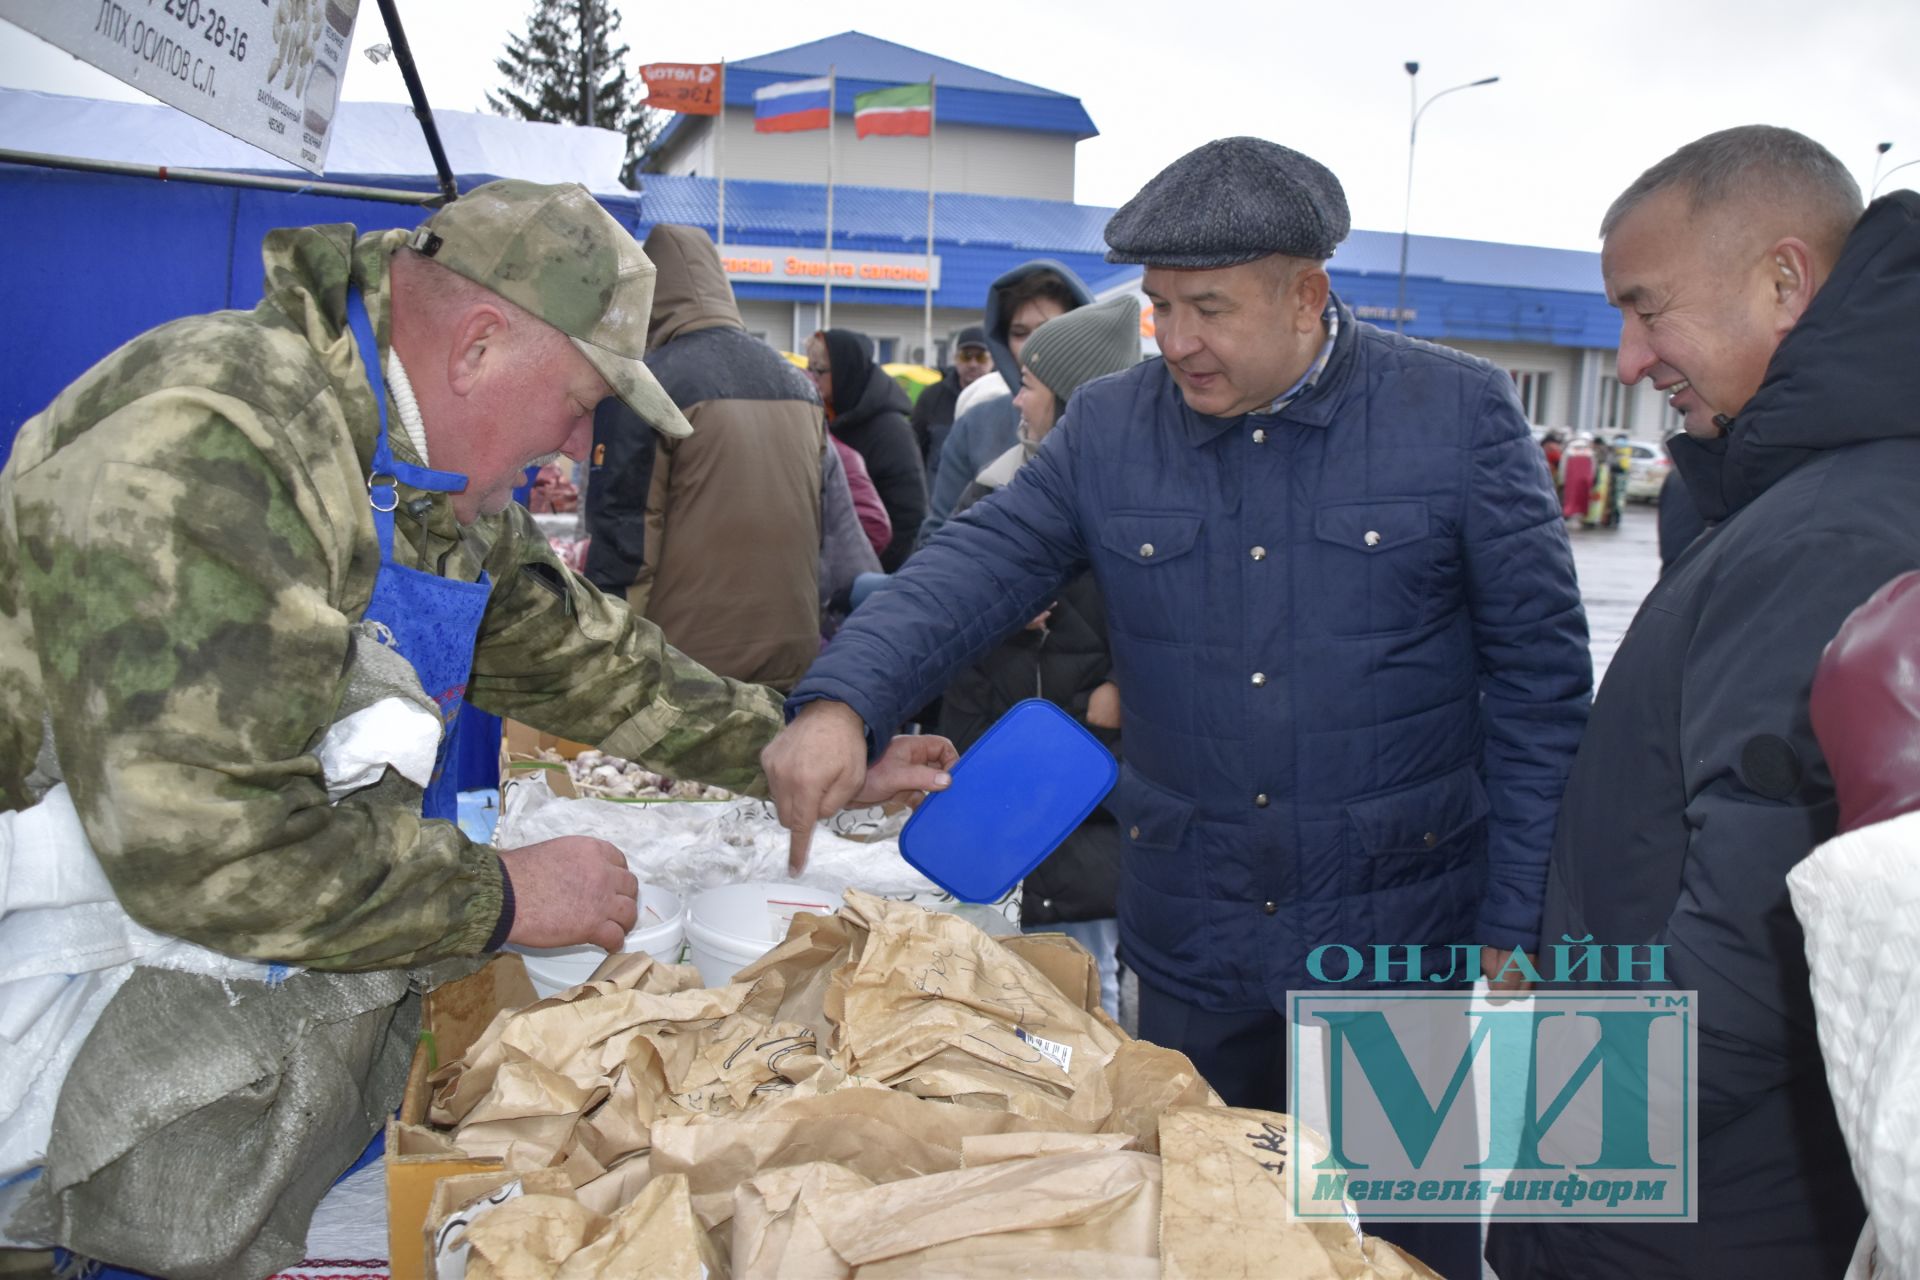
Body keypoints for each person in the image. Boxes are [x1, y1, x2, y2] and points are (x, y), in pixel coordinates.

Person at [0, 180, 951, 1269]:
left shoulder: (414, 470)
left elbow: (576, 650)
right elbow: (207, 847)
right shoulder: (209, 440)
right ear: (480, 349)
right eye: (580, 400)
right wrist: (504, 893)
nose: (576, 443)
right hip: (66, 989)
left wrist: (780, 740)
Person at [763, 137, 1591, 1279]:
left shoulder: (1454, 416)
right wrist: (842, 700)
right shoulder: (1112, 429)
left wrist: (1518, 919)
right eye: (1159, 307)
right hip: (1197, 939)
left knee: (1397, 1249)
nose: (1179, 340)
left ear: (1308, 295)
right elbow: (971, 568)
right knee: (1205, 1239)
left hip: (1396, 940)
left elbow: (1542, 685)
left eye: (1210, 307)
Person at [1485, 125, 1920, 1280]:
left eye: (1647, 307)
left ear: (1786, 280)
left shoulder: (1830, 533)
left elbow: (1751, 956)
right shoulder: (1791, 494)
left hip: (1696, 1204)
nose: (1627, 358)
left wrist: (1485, 1131)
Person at [939, 293, 1143, 1020]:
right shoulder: (995, 487)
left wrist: (1126, 692)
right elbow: (937, 605)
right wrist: (993, 615)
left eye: (1031, 382)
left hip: (1085, 797)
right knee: (988, 987)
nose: (1016, 395)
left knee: (1080, 990)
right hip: (993, 773)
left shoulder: (1141, 506)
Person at [583, 223, 824, 690]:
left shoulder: (649, 384)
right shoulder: (800, 385)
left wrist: (604, 653)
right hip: (793, 647)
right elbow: (821, 528)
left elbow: (625, 532)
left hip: (688, 660)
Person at [916, 261, 1092, 548]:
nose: (1034, 346)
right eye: (1020, 333)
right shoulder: (975, 424)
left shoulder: (1121, 418)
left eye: (1049, 329)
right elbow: (935, 537)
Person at [805, 329, 926, 571]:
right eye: (809, 368)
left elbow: (910, 514)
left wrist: (871, 574)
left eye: (819, 370)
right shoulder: (825, 416)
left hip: (877, 573)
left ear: (844, 372)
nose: (812, 378)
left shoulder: (890, 431)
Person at [910, 323, 993, 479]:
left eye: (980, 357)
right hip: (938, 497)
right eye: (966, 356)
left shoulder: (1005, 397)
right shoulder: (932, 397)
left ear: (992, 360)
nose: (973, 364)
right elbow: (914, 453)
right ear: (955, 359)